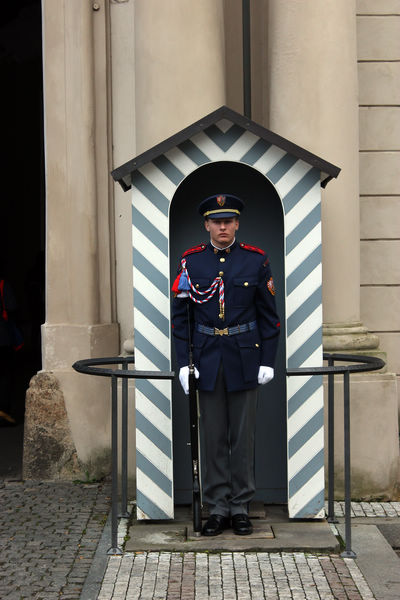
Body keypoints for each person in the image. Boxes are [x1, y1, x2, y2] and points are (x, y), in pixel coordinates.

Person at [171, 193, 280, 536]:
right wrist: (183, 363)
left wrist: (267, 360)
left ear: (237, 224)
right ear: (206, 224)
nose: (222, 226)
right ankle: (217, 506)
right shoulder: (191, 262)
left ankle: (240, 506)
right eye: (216, 221)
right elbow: (180, 319)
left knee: (242, 438)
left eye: (228, 221)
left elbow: (269, 318)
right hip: (207, 359)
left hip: (245, 358)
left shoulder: (256, 260)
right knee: (214, 437)